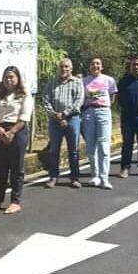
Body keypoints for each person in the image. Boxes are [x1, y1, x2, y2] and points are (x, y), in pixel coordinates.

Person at [0, 66, 33, 214]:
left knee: (16, 168)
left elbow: (25, 116)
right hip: (0, 130)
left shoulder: (24, 94)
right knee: (1, 167)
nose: (9, 80)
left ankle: (15, 201)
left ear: (17, 78)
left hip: (17, 130)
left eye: (12, 77)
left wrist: (11, 132)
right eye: (6, 77)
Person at [43, 58, 85, 189]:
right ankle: (53, 177)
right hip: (55, 120)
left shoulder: (77, 82)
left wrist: (65, 114)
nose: (64, 69)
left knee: (73, 150)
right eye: (62, 66)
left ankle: (74, 178)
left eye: (67, 67)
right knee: (54, 150)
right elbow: (45, 99)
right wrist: (56, 115)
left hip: (72, 119)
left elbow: (79, 101)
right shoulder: (51, 82)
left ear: (71, 69)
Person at [81, 58, 118, 190]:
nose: (95, 66)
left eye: (98, 64)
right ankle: (95, 175)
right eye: (93, 64)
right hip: (88, 113)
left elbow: (113, 95)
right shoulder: (84, 80)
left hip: (103, 112)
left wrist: (104, 106)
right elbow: (83, 97)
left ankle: (104, 177)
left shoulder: (109, 80)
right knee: (91, 146)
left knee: (103, 145)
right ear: (89, 66)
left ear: (101, 67)